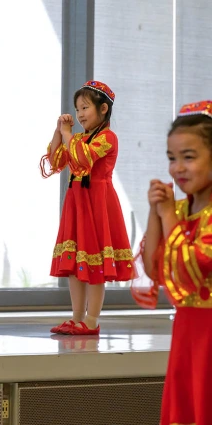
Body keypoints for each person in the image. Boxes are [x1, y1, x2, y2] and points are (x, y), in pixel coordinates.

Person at [134, 100, 212, 424]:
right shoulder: (179, 212)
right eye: (171, 158)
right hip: (187, 333)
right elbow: (155, 269)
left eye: (188, 157)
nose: (177, 168)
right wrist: (156, 213)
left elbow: (190, 268)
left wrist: (166, 214)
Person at [40, 80, 135, 335]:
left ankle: (92, 320)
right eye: (78, 108)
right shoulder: (78, 137)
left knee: (95, 266)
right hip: (77, 202)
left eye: (85, 108)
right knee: (74, 263)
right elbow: (55, 161)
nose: (80, 114)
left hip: (97, 203)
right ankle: (76, 317)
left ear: (103, 109)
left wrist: (69, 135)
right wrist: (59, 131)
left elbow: (83, 158)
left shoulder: (108, 137)